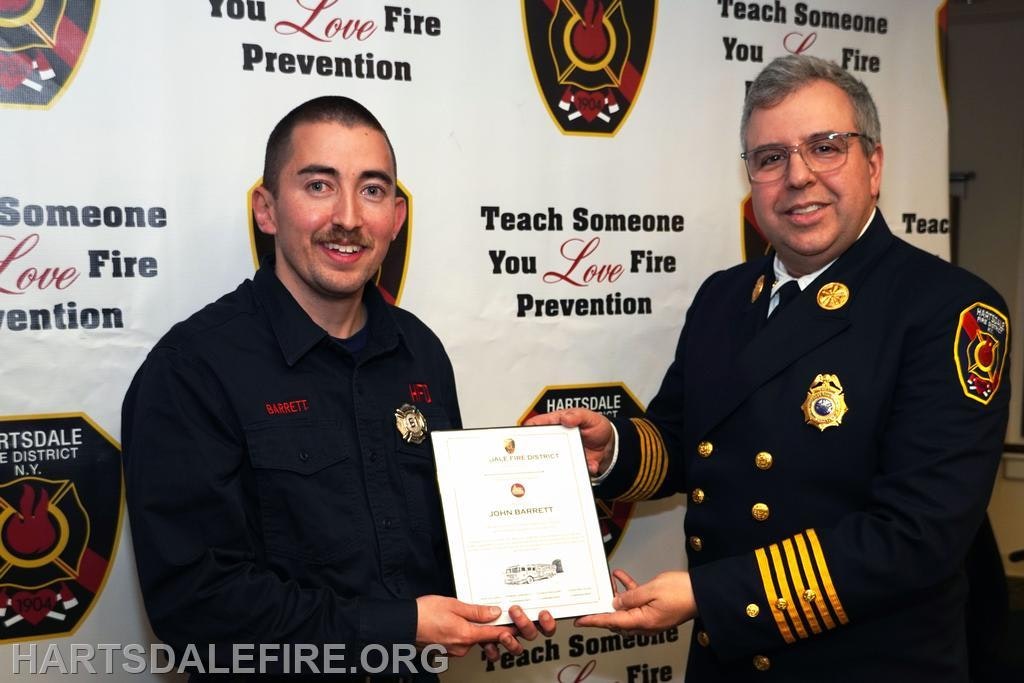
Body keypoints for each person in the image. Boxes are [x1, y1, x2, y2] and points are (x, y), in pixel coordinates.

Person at [529, 55, 1011, 681]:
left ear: (875, 164)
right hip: (726, 662)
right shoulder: (724, 298)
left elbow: (916, 537)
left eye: (826, 147)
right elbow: (685, 438)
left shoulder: (950, 310)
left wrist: (710, 596)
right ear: (751, 179)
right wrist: (613, 450)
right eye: (771, 157)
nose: (799, 176)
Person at [122, 95, 552, 679]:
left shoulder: (420, 353)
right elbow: (196, 607)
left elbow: (443, 540)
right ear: (267, 209)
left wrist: (497, 599)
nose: (348, 217)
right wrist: (401, 626)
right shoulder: (192, 370)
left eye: (372, 190)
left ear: (397, 219)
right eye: (319, 185)